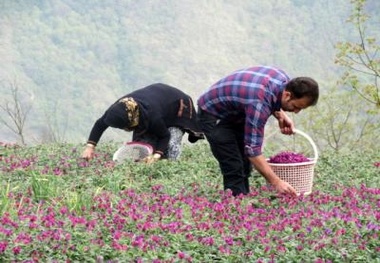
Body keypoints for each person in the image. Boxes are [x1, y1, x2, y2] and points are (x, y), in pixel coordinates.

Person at [197, 66, 319, 197]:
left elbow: (272, 97)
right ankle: (236, 208)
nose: (296, 112)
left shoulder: (284, 81)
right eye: (295, 107)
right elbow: (253, 151)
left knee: (245, 163)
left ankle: (242, 199)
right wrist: (276, 182)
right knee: (234, 166)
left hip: (237, 112)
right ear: (288, 95)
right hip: (213, 114)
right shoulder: (258, 104)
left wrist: (280, 114)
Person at [82, 83, 204, 163]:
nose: (126, 129)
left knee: (171, 144)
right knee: (144, 145)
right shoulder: (116, 110)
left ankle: (171, 171)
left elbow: (164, 135)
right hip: (157, 101)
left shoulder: (152, 115)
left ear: (131, 119)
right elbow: (100, 124)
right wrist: (90, 147)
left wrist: (156, 156)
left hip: (176, 104)